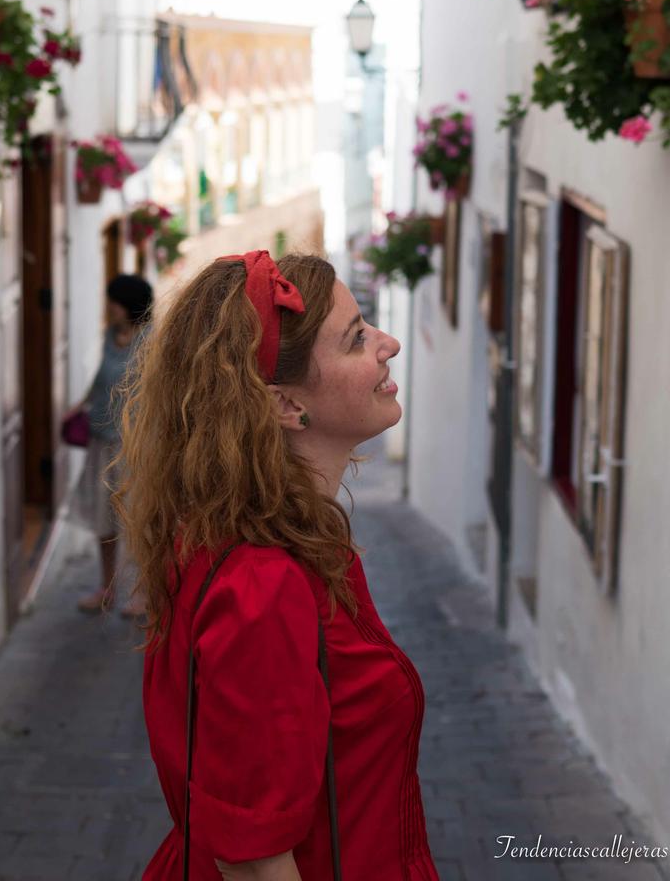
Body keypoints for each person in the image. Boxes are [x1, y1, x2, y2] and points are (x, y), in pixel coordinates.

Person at [116, 251, 440, 880]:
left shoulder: (276, 538)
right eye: (356, 338)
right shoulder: (263, 586)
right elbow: (255, 862)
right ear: (286, 405)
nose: (389, 343)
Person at [71, 272, 152, 615]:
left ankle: (143, 593)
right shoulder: (109, 336)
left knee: (137, 520)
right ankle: (106, 588)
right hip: (101, 440)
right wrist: (81, 404)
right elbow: (102, 377)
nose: (110, 307)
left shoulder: (151, 341)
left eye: (114, 301)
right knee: (103, 520)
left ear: (129, 304)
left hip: (134, 445)